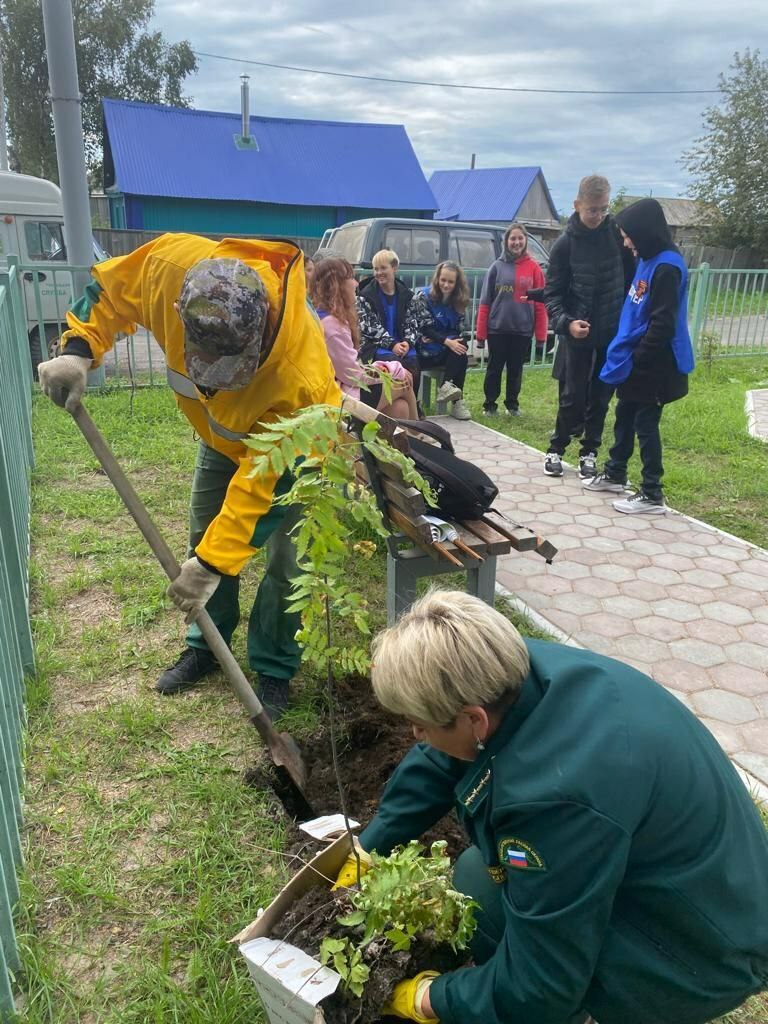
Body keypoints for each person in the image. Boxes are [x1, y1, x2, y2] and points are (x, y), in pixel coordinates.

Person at [335, 590, 768, 1024]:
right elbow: (440, 754)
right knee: (476, 876)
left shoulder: (558, 801)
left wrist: (429, 999)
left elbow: (539, 987)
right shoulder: (508, 667)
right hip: (698, 881)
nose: (415, 736)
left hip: (702, 950)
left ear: (474, 720)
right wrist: (370, 847)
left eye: (420, 726)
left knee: (526, 954)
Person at [37, 235, 340, 720]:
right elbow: (111, 291)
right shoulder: (167, 267)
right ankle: (208, 646)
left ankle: (275, 668)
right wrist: (77, 349)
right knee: (203, 531)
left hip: (287, 454)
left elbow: (262, 486)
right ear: (178, 307)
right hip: (219, 442)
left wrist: (213, 564)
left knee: (285, 562)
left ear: (260, 331)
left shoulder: (298, 376)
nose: (213, 381)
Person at [583, 198, 695, 515]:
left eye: (629, 235)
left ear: (645, 232)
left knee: (646, 424)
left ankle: (651, 493)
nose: (626, 242)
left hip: (657, 362)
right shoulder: (648, 258)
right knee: (625, 414)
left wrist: (640, 358)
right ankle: (616, 473)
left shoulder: (667, 268)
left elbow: (663, 322)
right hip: (636, 357)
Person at [543, 175, 635, 479]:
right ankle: (556, 448)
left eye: (603, 209)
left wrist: (627, 321)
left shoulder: (618, 237)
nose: (598, 216)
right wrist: (567, 324)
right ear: (577, 205)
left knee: (601, 395)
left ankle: (590, 452)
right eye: (592, 210)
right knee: (573, 395)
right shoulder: (564, 245)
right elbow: (552, 296)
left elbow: (633, 281)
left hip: (611, 330)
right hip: (577, 332)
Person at [311, 257, 419, 419]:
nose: (356, 284)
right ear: (337, 285)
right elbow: (353, 376)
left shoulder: (325, 316)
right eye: (351, 278)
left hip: (342, 390)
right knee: (404, 381)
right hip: (340, 399)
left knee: (399, 408)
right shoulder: (333, 326)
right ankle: (418, 433)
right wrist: (392, 370)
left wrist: (385, 369)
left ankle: (408, 438)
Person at [475, 223, 547, 417]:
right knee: (494, 368)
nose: (516, 242)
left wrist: (541, 335)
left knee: (515, 370)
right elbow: (485, 302)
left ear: (525, 241)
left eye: (520, 238)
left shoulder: (534, 269)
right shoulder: (496, 267)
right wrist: (480, 334)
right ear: (506, 242)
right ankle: (490, 404)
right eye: (512, 239)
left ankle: (512, 405)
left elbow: (540, 304)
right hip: (497, 328)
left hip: (522, 329)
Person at [410, 260, 472, 421]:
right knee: (456, 347)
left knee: (461, 349)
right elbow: (425, 328)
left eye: (450, 282)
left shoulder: (460, 301)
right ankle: (450, 393)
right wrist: (446, 340)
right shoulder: (422, 296)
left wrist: (442, 339)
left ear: (457, 283)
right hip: (423, 352)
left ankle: (449, 391)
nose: (446, 285)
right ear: (437, 278)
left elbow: (462, 331)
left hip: (444, 349)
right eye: (443, 280)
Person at [357, 249, 421, 396]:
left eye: (383, 268)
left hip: (402, 345)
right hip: (376, 347)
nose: (379, 273)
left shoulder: (407, 295)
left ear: (394, 268)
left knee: (413, 364)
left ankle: (412, 405)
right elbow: (369, 326)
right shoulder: (365, 296)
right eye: (376, 269)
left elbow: (413, 322)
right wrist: (392, 345)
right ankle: (392, 405)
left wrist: (407, 343)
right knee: (395, 365)